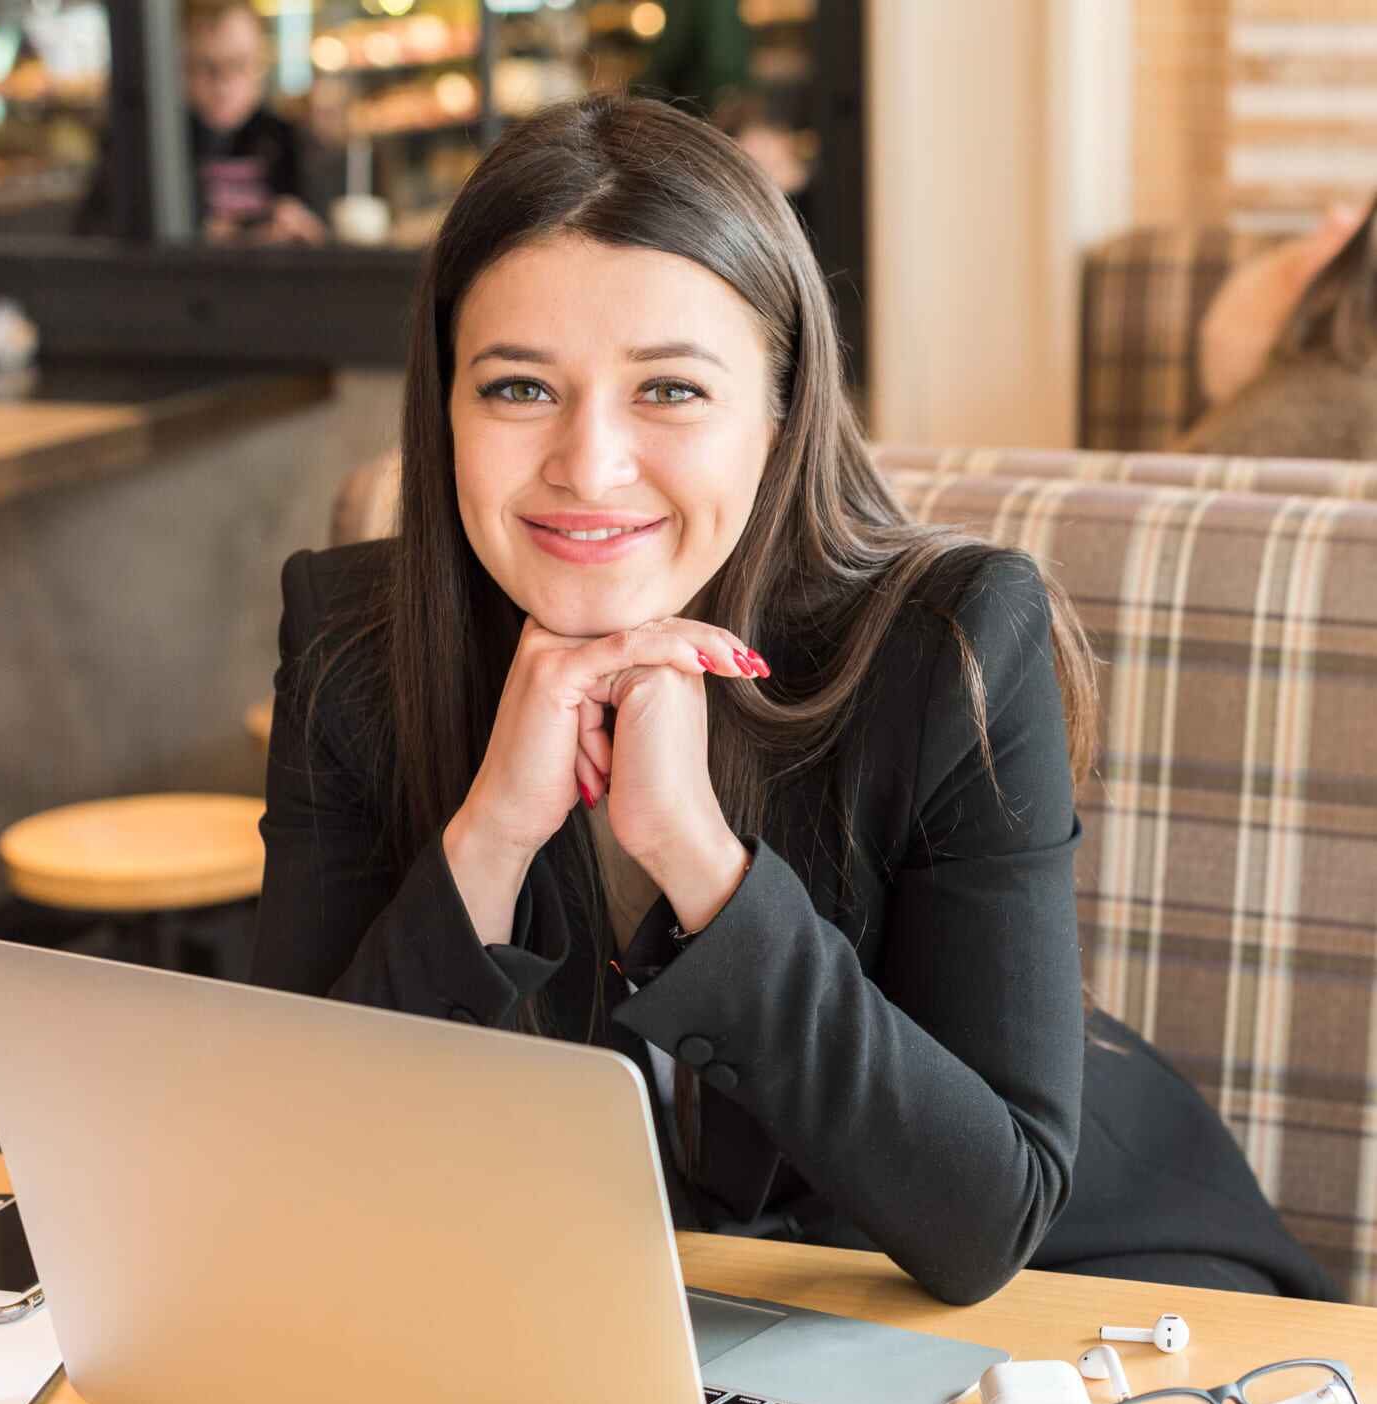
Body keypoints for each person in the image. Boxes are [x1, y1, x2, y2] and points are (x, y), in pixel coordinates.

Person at [251, 94, 1337, 1306]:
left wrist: (697, 859)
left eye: (669, 391)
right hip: (670, 1328)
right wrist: (490, 837)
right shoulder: (351, 647)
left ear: (779, 411)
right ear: (443, 406)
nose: (588, 463)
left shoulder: (950, 642)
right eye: (517, 389)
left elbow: (988, 1222)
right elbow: (303, 1171)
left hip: (1092, 1291)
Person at [76, 0, 324, 245]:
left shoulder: (289, 139)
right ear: (176, 67)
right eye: (204, 66)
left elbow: (325, 230)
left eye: (239, 64)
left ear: (261, 63)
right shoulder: (143, 142)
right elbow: (94, 233)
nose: (223, 84)